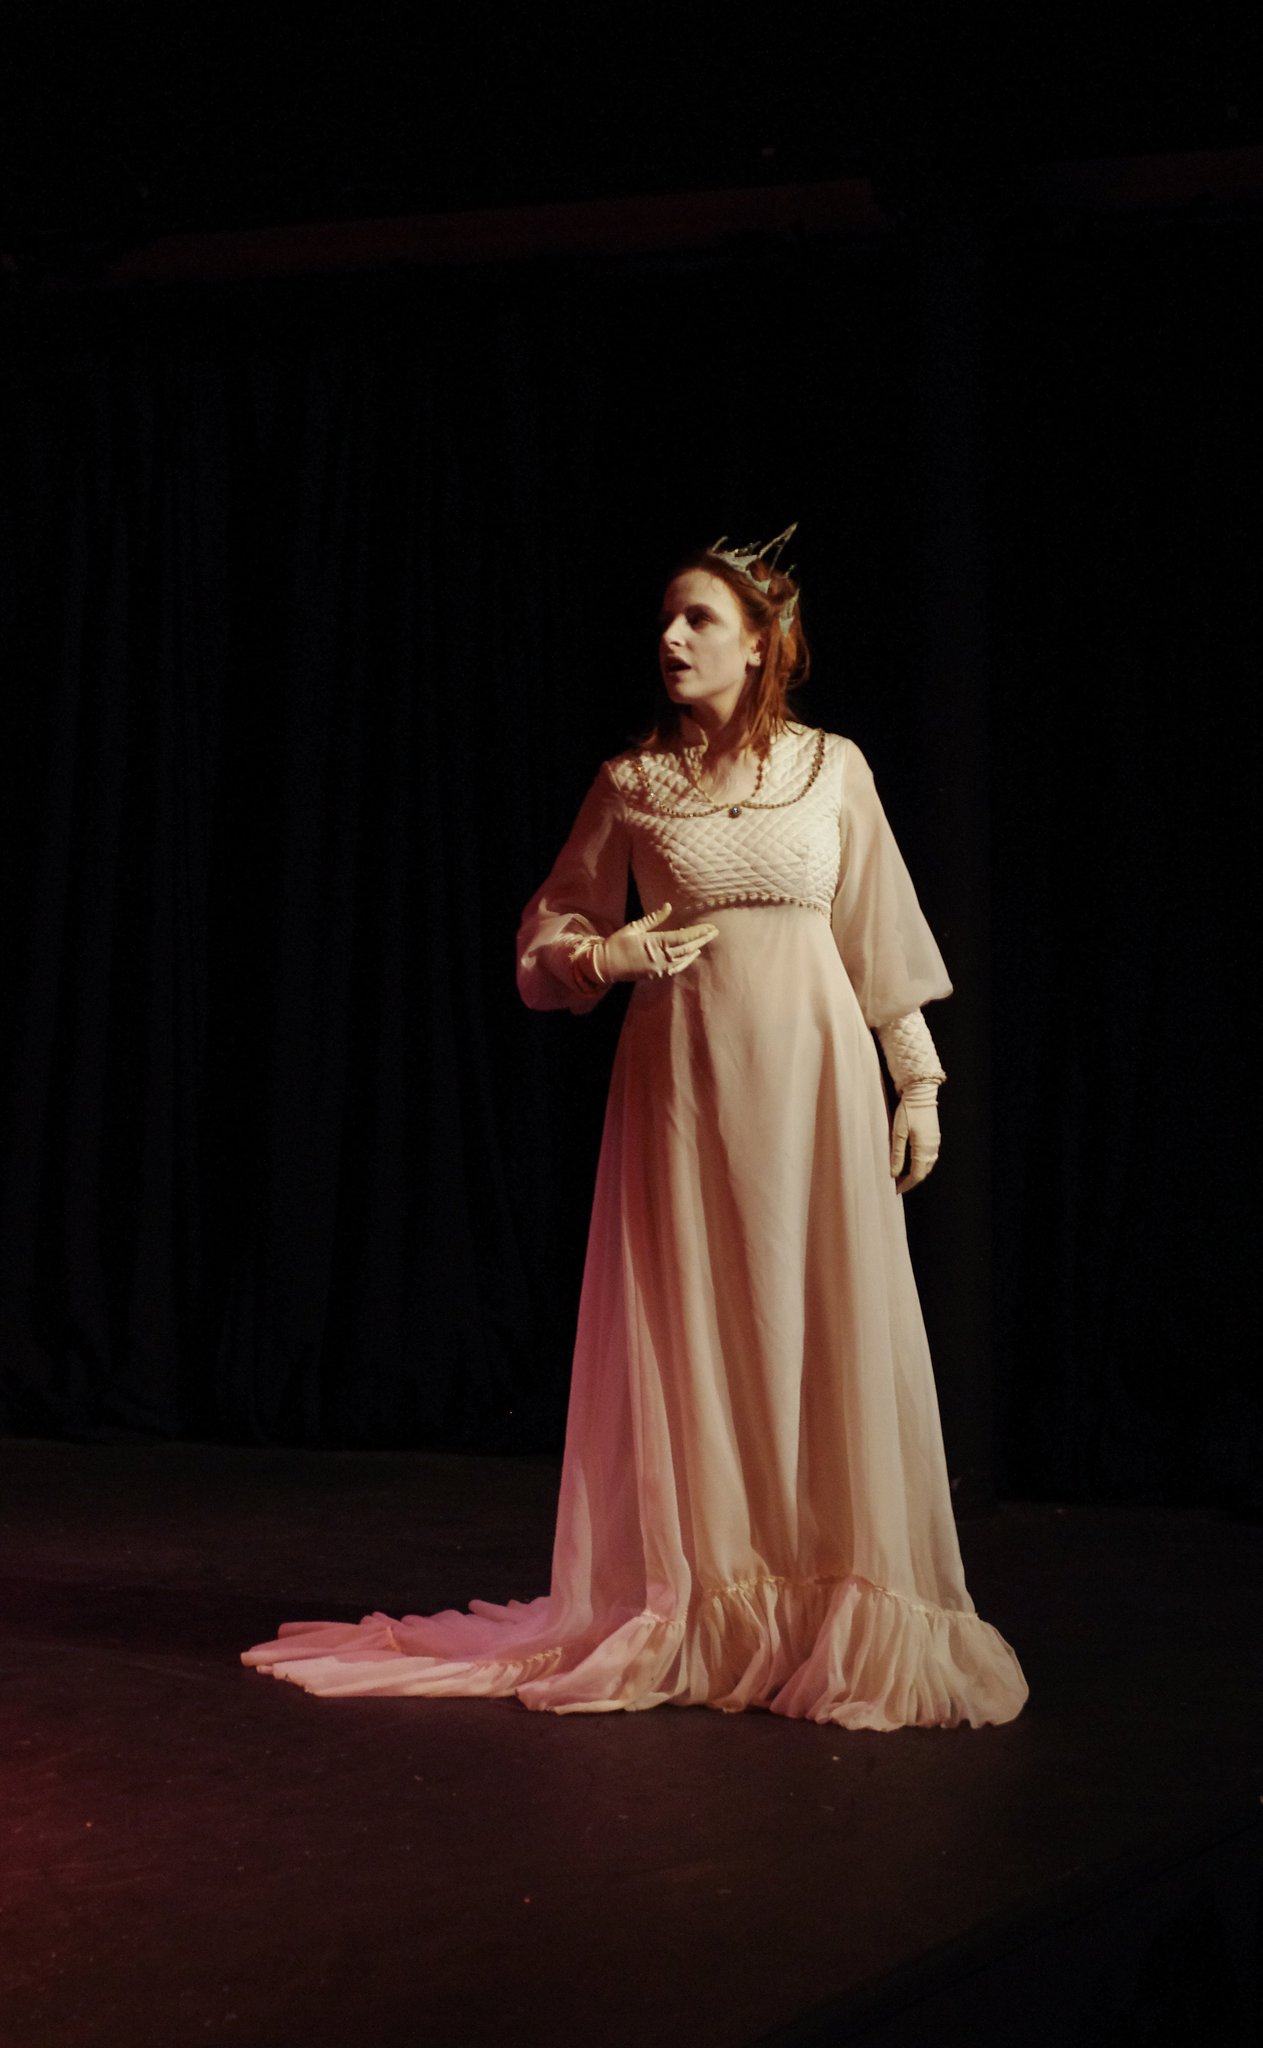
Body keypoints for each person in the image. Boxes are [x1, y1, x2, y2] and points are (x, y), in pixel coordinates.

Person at [243, 526, 1029, 1730]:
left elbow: (879, 934)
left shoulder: (833, 768)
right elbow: (545, 938)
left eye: (698, 618)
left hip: (817, 1088)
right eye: (665, 618)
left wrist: (916, 1079)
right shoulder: (633, 784)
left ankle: (831, 1603)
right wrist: (608, 953)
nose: (670, 637)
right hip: (688, 1092)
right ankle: (714, 1601)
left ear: (760, 642)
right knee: (702, 1328)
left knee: (820, 1320)